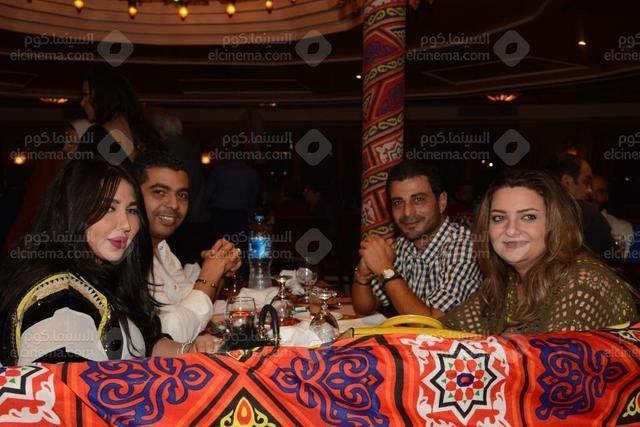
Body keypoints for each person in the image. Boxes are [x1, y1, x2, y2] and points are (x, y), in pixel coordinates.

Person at [0, 158, 221, 366]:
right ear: (72, 210)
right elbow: (67, 390)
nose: (126, 224)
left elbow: (144, 343)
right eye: (108, 208)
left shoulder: (103, 277)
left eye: (132, 210)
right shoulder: (62, 299)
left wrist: (188, 350)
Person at [442, 170, 638, 335]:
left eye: (528, 217)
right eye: (499, 218)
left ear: (555, 223)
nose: (510, 230)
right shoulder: (508, 282)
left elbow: (553, 365)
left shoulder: (582, 284)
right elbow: (446, 330)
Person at [133, 151, 241, 343]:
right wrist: (210, 274)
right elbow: (172, 334)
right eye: (159, 192)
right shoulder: (126, 254)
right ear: (133, 194)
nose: (174, 204)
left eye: (182, 195)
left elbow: (189, 305)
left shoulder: (161, 248)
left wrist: (219, 269)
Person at [352, 161, 482, 318]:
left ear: (441, 202)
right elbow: (364, 309)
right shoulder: (402, 245)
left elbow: (430, 324)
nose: (407, 212)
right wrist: (363, 275)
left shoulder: (465, 245)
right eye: (398, 203)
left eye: (418, 199)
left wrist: (385, 269)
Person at [79, 65, 163, 163]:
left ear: (103, 96)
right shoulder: (148, 134)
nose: (82, 103)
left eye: (86, 95)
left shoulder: (95, 138)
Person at [552, 154, 616, 261]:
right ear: (567, 181)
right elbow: (611, 259)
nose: (590, 191)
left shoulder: (535, 208)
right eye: (586, 182)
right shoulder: (586, 212)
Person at [591, 175, 635, 259]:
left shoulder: (623, 229)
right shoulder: (571, 226)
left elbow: (623, 262)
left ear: (607, 196)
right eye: (590, 189)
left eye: (600, 192)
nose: (593, 196)